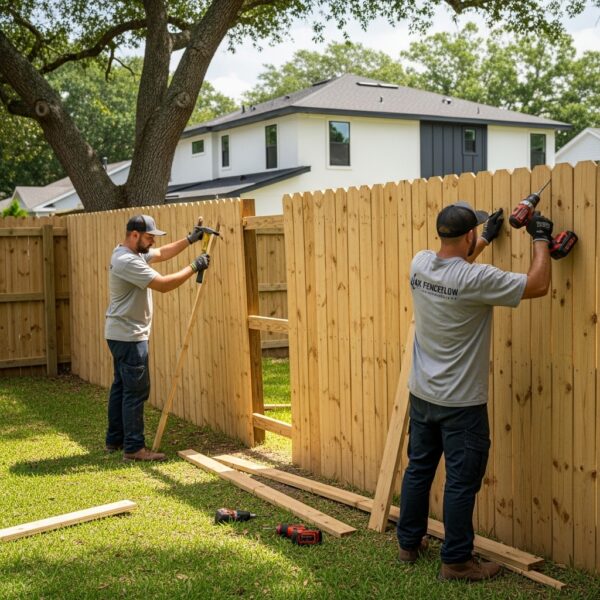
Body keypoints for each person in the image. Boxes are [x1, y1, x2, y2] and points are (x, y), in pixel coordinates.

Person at [397, 201, 552, 581]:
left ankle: (408, 543)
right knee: (462, 483)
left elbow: (452, 272)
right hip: (461, 404)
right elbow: (538, 284)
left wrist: (483, 239)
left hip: (422, 395)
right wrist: (541, 240)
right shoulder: (476, 278)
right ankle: (456, 561)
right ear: (466, 234)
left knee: (418, 469)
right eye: (475, 233)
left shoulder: (419, 263)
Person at [104, 214, 211, 462]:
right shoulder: (127, 261)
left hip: (120, 333)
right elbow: (162, 284)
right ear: (134, 235)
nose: (152, 242)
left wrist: (190, 239)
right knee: (136, 391)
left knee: (121, 387)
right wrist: (194, 266)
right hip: (130, 336)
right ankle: (133, 449)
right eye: (149, 237)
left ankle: (115, 440)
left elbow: (162, 253)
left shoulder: (129, 253)